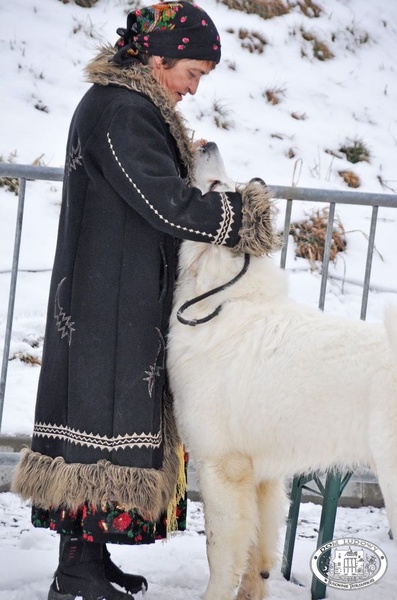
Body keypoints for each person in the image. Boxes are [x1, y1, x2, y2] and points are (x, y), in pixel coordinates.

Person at [11, 2, 275, 599]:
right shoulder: (123, 110)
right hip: (109, 302)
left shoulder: (124, 105)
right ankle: (75, 572)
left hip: (111, 291)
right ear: (157, 58)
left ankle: (89, 560)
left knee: (99, 425)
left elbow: (146, 186)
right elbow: (164, 203)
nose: (193, 87)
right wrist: (241, 216)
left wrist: (184, 159)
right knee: (96, 429)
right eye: (192, 72)